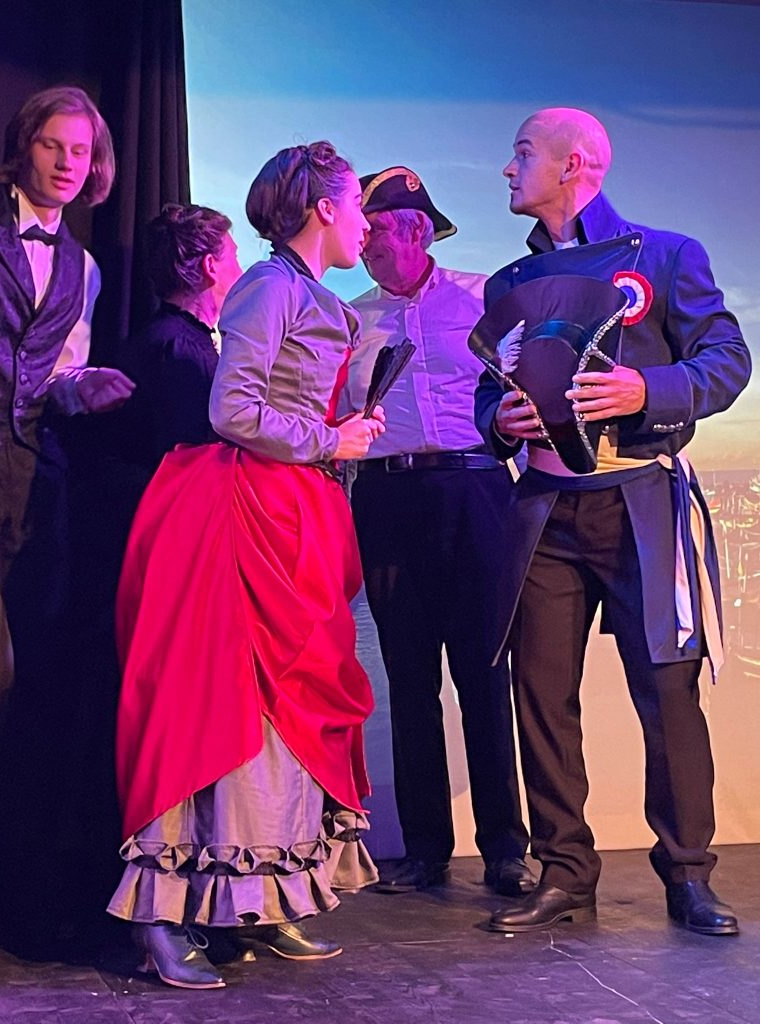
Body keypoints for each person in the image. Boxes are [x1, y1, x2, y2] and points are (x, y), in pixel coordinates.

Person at [107, 141, 386, 989]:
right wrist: (328, 439)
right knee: (220, 708)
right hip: (241, 514)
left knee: (285, 715)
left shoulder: (306, 291)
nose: (366, 223)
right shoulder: (268, 285)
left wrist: (343, 436)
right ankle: (161, 919)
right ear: (324, 209)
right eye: (358, 205)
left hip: (294, 510)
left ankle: (261, 900)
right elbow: (233, 409)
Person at [475, 107, 750, 935]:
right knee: (540, 694)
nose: (508, 168)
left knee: (667, 691)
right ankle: (565, 872)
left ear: (575, 165)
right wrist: (500, 421)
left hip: (639, 502)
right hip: (542, 508)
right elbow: (490, 388)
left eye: (523, 153)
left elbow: (727, 360)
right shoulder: (507, 282)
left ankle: (688, 875)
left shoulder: (666, 255)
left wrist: (645, 390)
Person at [340, 167, 532, 896]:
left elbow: (523, 392)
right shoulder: (351, 320)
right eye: (360, 232)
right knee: (409, 676)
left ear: (416, 230)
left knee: (484, 673)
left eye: (376, 230)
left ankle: (505, 849)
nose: (364, 244)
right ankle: (424, 849)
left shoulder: (484, 298)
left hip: (476, 489)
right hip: (387, 496)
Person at [0, 86, 134, 955]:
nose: (67, 163)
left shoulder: (83, 266)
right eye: (54, 145)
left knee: (29, 685)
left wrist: (85, 387)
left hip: (31, 483)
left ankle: (22, 894)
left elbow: (54, 375)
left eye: (82, 152)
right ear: (26, 145)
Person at [117, 202, 243, 471]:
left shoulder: (167, 338)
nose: (241, 272)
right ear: (210, 266)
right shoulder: (180, 350)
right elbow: (192, 460)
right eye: (234, 258)